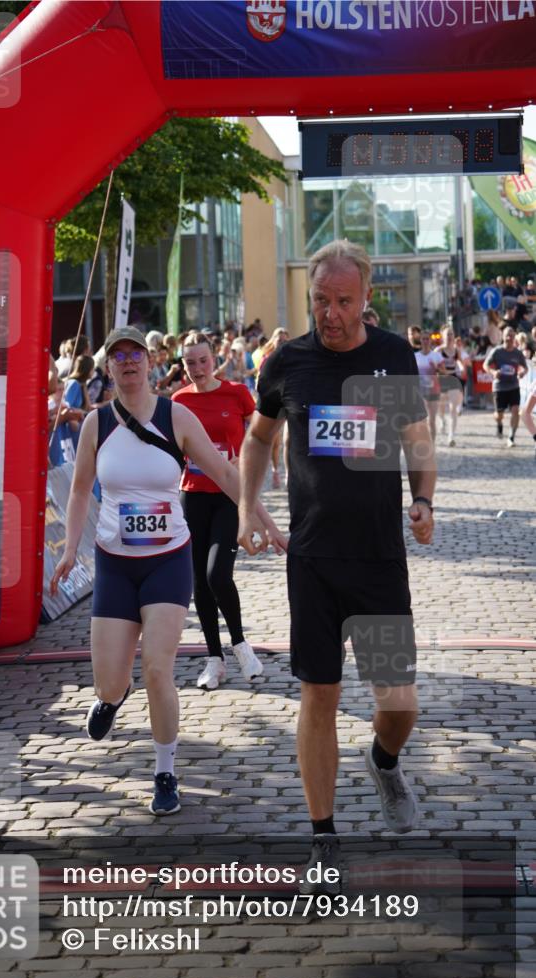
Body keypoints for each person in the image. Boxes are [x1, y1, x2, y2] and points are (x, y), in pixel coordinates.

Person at [237, 240, 436, 886]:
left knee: (399, 703)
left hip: (378, 557)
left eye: (341, 302)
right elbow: (257, 438)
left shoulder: (390, 355)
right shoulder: (286, 363)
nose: (329, 313)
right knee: (317, 695)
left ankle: (382, 761)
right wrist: (247, 505)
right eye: (319, 300)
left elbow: (416, 439)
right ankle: (322, 837)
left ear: (365, 300)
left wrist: (422, 499)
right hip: (313, 558)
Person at [51, 326, 286, 816]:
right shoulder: (97, 424)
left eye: (136, 353)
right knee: (109, 682)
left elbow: (225, 474)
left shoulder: (174, 415)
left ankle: (164, 772)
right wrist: (71, 549)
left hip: (167, 560)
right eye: (118, 355)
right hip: (115, 564)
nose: (129, 362)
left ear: (150, 364)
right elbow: (77, 492)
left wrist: (263, 520)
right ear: (109, 368)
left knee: (158, 667)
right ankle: (113, 699)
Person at [173, 332, 264, 690]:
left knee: (217, 574)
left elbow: (259, 436)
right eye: (189, 362)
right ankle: (215, 659)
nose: (197, 368)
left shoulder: (237, 393)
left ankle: (241, 645)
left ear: (215, 359)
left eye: (203, 360)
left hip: (228, 494)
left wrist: (252, 465)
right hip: (191, 496)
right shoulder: (178, 401)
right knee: (199, 582)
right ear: (182, 365)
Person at [483, 327, 529, 447]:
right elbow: (485, 365)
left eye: (512, 336)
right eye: (507, 336)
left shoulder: (517, 353)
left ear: (515, 337)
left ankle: (511, 437)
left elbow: (525, 367)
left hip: (514, 386)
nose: (509, 338)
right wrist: (493, 373)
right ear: (502, 337)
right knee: (499, 415)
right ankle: (499, 424)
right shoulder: (497, 351)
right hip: (499, 387)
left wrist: (522, 372)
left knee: (515, 411)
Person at [257, 327, 291, 487]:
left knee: (287, 439)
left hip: (290, 401)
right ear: (273, 342)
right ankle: (274, 470)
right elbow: (260, 381)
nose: (282, 343)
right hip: (273, 402)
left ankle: (287, 473)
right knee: (274, 441)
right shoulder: (267, 359)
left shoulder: (294, 358)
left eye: (285, 340)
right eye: (279, 340)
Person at [437, 325, 464, 446]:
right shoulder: (438, 351)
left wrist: (461, 368)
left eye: (451, 334)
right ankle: (442, 420)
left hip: (453, 379)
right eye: (447, 334)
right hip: (441, 380)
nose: (449, 336)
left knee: (453, 408)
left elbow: (459, 361)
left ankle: (451, 436)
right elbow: (434, 365)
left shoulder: (456, 350)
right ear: (442, 336)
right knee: (441, 407)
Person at [414, 331, 442, 442]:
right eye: (423, 339)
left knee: (432, 420)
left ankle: (432, 444)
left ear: (431, 340)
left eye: (427, 339)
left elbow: (444, 372)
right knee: (422, 419)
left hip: (434, 390)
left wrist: (436, 368)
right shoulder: (415, 356)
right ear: (420, 340)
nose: (425, 341)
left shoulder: (436, 356)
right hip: (420, 390)